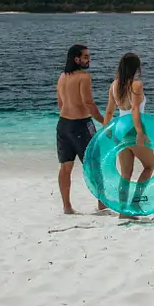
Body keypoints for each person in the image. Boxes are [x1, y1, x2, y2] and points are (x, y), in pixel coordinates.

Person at [55, 43, 105, 214]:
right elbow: (88, 103)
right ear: (76, 59)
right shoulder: (84, 77)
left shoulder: (62, 77)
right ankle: (102, 204)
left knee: (66, 166)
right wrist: (104, 121)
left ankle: (67, 207)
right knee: (94, 164)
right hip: (81, 125)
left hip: (63, 125)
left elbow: (60, 104)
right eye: (85, 57)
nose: (88, 59)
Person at [103, 52, 154, 214]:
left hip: (119, 129)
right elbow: (135, 110)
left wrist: (106, 129)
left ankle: (123, 210)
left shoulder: (114, 85)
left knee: (126, 172)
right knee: (149, 166)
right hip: (133, 128)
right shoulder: (136, 85)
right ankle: (135, 203)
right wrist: (140, 132)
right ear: (136, 68)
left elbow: (110, 111)